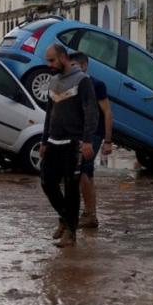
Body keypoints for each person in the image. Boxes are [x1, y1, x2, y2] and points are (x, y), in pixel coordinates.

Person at [40, 44, 98, 248]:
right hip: (54, 142)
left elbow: (92, 112)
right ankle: (66, 219)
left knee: (72, 188)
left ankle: (71, 233)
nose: (49, 65)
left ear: (63, 58)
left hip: (74, 144)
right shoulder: (53, 81)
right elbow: (49, 113)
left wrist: (88, 141)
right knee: (47, 183)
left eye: (52, 60)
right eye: (48, 61)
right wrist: (44, 140)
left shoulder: (83, 81)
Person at [69, 52, 113, 229]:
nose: (70, 70)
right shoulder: (70, 84)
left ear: (84, 66)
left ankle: (89, 215)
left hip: (94, 134)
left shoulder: (97, 85)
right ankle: (89, 214)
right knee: (84, 174)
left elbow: (107, 112)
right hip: (77, 134)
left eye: (74, 66)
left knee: (84, 172)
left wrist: (108, 141)